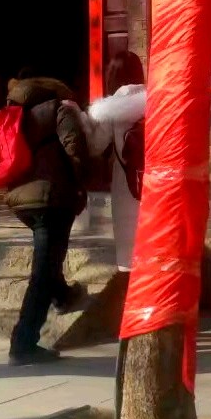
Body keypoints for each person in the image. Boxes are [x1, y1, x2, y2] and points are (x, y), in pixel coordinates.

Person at [2, 71, 90, 365]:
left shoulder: (13, 112)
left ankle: (62, 295)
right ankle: (23, 344)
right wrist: (82, 182)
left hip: (21, 199)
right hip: (51, 196)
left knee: (48, 260)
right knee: (42, 272)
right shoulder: (59, 109)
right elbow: (75, 148)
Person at [83, 52, 146, 273]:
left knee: (130, 237)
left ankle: (131, 282)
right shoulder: (157, 101)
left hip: (126, 181)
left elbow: (96, 145)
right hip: (155, 178)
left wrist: (84, 121)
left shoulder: (111, 108)